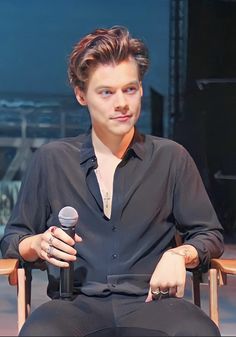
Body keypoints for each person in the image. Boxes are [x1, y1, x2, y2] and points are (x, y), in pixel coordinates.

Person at [0, 26, 224, 336]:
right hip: (74, 306)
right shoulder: (52, 160)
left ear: (141, 90)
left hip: (154, 303)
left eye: (130, 89)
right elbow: (13, 239)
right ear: (81, 95)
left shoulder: (171, 157)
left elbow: (209, 233)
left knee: (200, 333)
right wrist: (37, 244)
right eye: (106, 92)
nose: (122, 103)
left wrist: (180, 254)